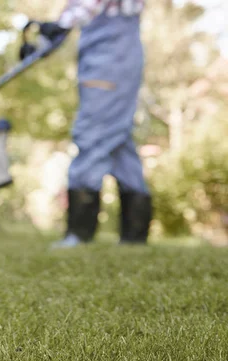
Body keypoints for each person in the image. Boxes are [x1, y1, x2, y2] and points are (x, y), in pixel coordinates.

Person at [38, 0, 153, 248]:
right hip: (108, 53)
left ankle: (79, 233)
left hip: (111, 56)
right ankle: (135, 236)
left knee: (92, 134)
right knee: (118, 142)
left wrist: (62, 24)